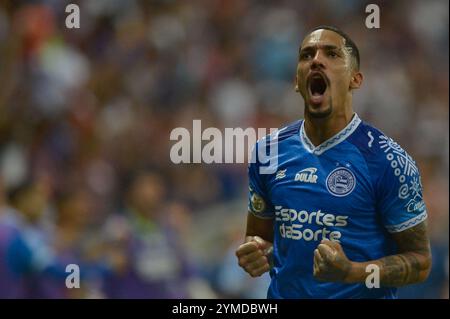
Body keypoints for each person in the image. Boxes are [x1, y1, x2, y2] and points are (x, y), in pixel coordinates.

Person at [235, 25, 431, 299]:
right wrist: (256, 252)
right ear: (296, 80)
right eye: (306, 55)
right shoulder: (268, 152)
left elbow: (420, 262)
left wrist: (352, 271)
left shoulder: (388, 161)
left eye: (332, 54)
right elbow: (260, 239)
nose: (316, 60)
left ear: (355, 79)